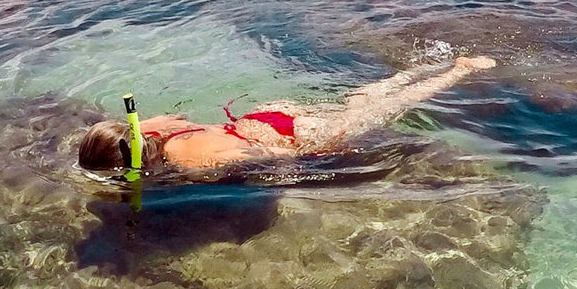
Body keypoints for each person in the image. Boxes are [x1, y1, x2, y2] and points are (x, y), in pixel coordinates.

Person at [77, 56, 497, 174]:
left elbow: (263, 160)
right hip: (267, 115)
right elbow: (174, 120)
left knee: (389, 108)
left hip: (294, 135)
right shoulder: (155, 127)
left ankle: (457, 71)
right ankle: (427, 64)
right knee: (363, 98)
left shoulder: (186, 160)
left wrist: (299, 167)